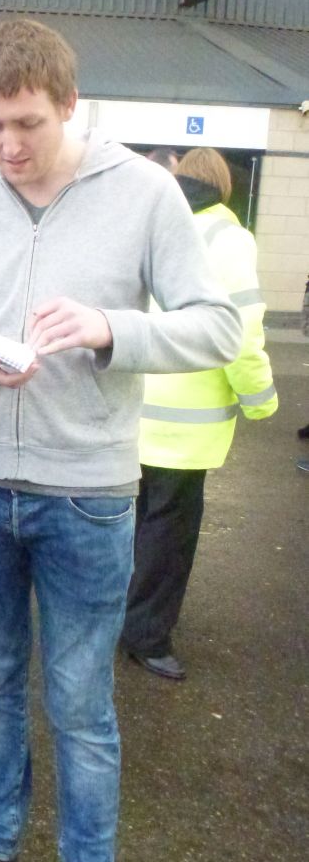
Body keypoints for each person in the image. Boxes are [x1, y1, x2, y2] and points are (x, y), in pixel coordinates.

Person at [0, 19, 242, 862]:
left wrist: (110, 329)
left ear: (70, 105)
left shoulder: (145, 195)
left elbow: (216, 329)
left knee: (82, 703)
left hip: (87, 495)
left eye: (27, 124)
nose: (8, 146)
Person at [121, 147, 278, 681]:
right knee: (168, 536)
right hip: (185, 430)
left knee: (128, 525)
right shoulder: (227, 239)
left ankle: (112, 619)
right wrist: (261, 401)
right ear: (223, 188)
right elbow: (240, 336)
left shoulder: (148, 224)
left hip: (130, 413)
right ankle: (146, 636)